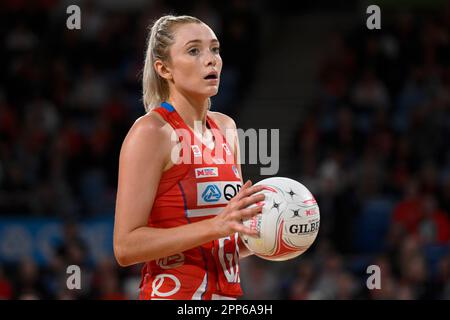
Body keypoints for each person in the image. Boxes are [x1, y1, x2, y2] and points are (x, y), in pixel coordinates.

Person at [113, 15, 265, 300]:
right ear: (164, 68)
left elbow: (223, 240)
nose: (211, 60)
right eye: (194, 50)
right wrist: (214, 226)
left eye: (215, 49)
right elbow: (125, 247)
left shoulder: (226, 127)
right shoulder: (152, 132)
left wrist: (272, 236)